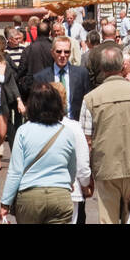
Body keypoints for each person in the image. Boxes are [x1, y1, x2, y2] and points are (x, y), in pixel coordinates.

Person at [81, 43, 130, 224]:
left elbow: (87, 141)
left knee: (107, 219)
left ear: (101, 68)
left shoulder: (90, 98)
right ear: (122, 66)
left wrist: (88, 174)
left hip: (105, 166)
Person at [0, 82, 78, 224]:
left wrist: (5, 202)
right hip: (59, 194)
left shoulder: (23, 131)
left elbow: (15, 172)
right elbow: (72, 168)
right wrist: (69, 182)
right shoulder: (67, 132)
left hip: (30, 196)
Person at [53, 82, 92, 224]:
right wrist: (86, 184)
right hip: (69, 191)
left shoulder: (28, 128)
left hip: (38, 192)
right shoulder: (74, 127)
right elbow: (82, 164)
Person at [33, 36, 91, 119]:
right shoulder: (41, 77)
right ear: (52, 53)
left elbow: (87, 103)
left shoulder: (82, 74)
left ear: (70, 53)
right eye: (59, 51)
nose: (63, 55)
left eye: (66, 52)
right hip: (51, 124)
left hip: (75, 124)